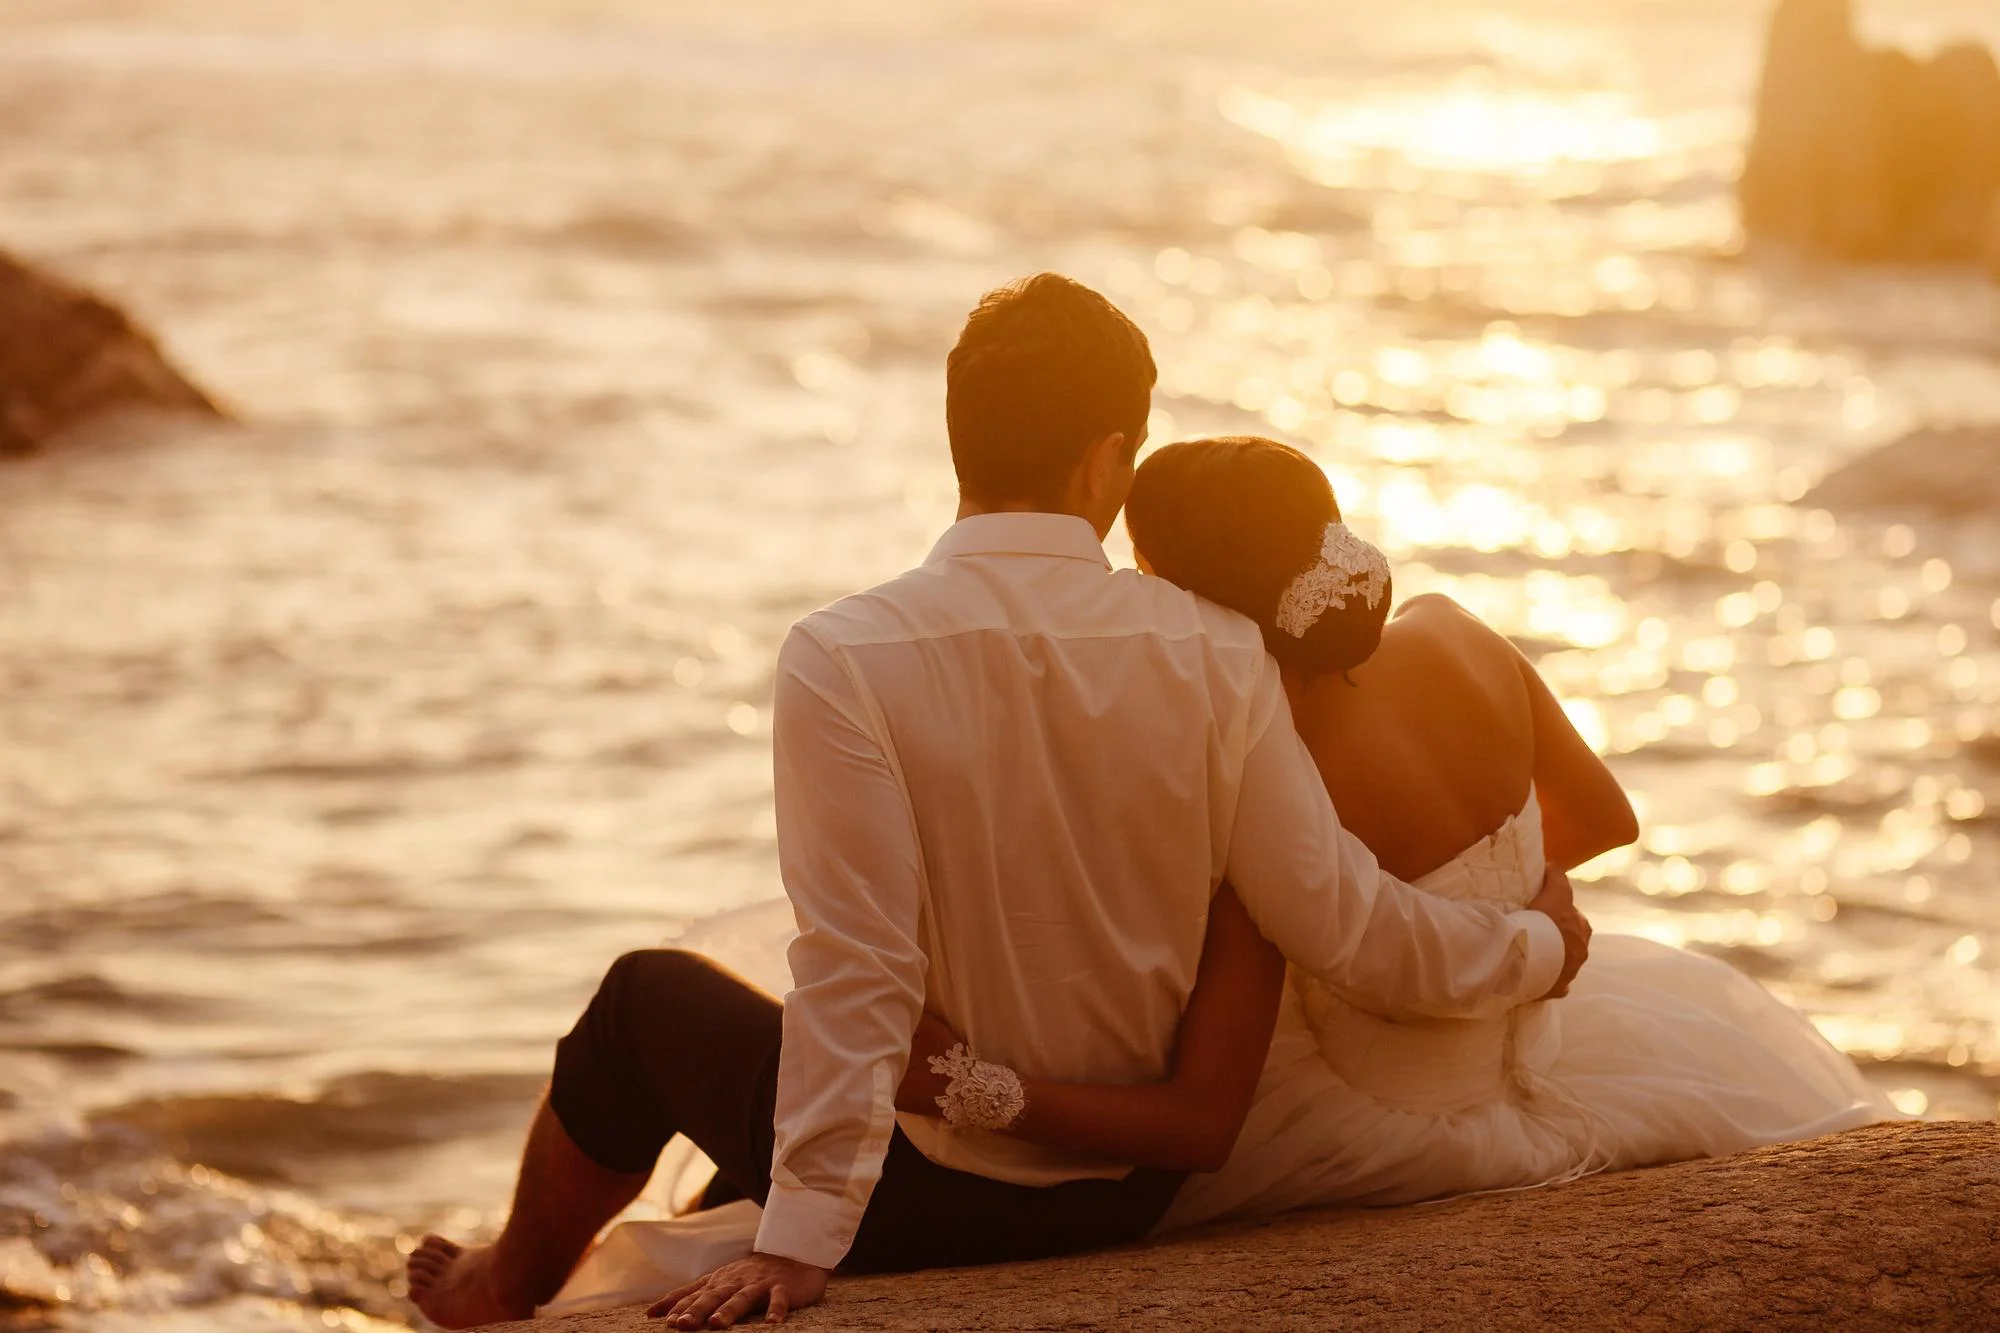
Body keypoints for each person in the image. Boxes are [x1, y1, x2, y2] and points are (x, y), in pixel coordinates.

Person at [404, 276, 1590, 1329]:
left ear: (960, 439)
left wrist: (801, 1239)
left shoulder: (842, 655)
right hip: (1130, 1195)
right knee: (753, 1100)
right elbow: (1344, 925)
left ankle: (501, 1289)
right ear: (1100, 462)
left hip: (926, 1203)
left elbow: (858, 967)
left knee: (638, 1001)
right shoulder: (1219, 652)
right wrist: (1537, 942)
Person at [896, 436, 1895, 1227]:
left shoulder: (1270, 773)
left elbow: (1224, 1058)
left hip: (1385, 1117)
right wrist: (1505, 894)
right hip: (1545, 1048)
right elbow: (1602, 816)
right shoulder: (1454, 630)